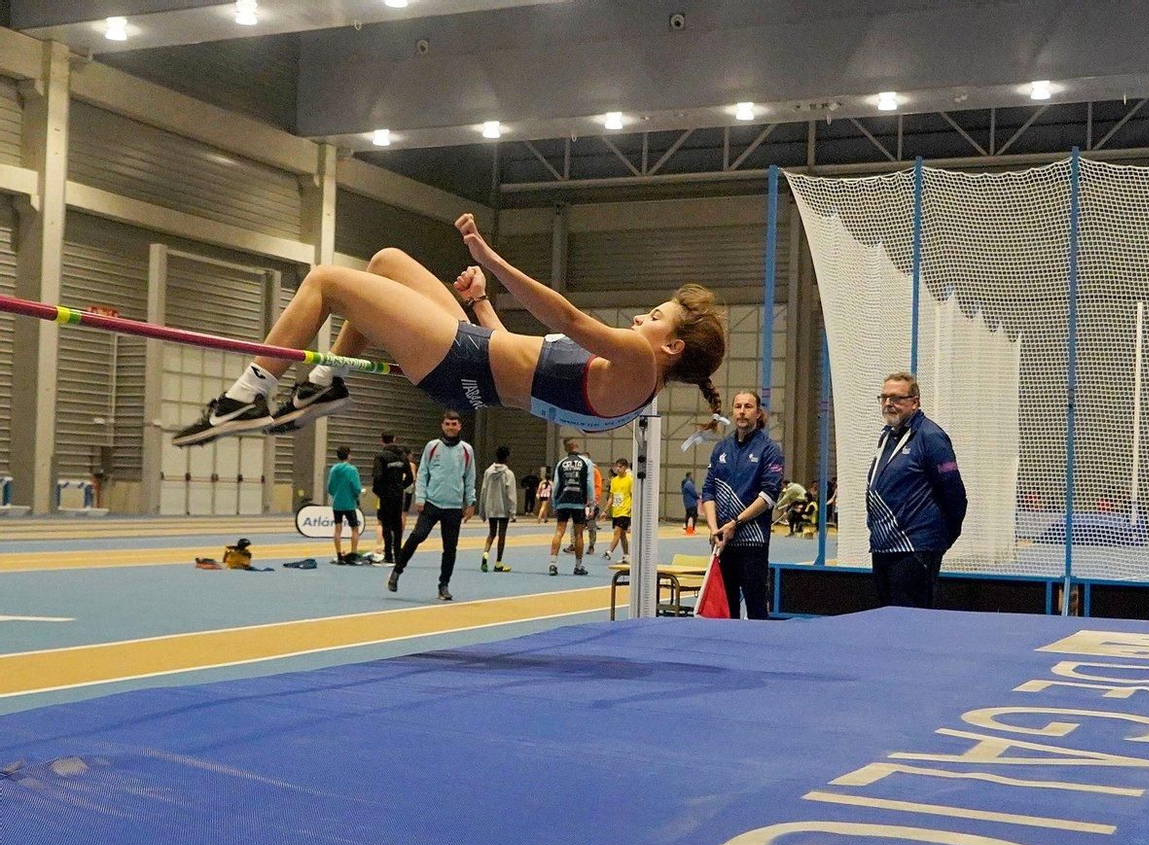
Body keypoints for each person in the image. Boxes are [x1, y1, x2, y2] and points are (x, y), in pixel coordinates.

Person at [172, 212, 728, 446]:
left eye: (654, 318)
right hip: (475, 359)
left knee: (325, 282)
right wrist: (483, 302)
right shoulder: (633, 388)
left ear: (672, 347)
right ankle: (325, 384)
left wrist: (491, 257)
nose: (638, 320)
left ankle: (246, 395)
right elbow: (530, 365)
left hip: (459, 361)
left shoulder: (637, 361)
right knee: (386, 261)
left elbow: (564, 318)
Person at [867, 372, 967, 609]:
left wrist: (942, 538)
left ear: (915, 401)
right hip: (884, 546)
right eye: (884, 397)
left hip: (915, 549)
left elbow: (954, 493)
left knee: (910, 623)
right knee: (886, 619)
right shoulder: (888, 436)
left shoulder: (931, 437)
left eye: (896, 398)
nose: (888, 403)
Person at [703, 391, 784, 619]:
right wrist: (713, 528)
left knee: (756, 609)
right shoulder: (721, 449)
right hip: (722, 543)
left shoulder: (769, 450)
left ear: (758, 414)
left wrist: (735, 523)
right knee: (726, 612)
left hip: (752, 544)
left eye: (748, 406)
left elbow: (769, 495)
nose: (741, 411)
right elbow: (708, 490)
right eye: (737, 406)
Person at [388, 411, 476, 601]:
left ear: (460, 426)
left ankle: (443, 585)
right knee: (417, 536)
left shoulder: (467, 450)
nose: (451, 427)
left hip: (453, 507)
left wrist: (471, 502)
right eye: (447, 424)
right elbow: (423, 473)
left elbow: (470, 477)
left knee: (450, 549)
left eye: (454, 424)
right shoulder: (432, 447)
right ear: (442, 426)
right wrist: (420, 498)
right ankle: (396, 571)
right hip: (432, 504)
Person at [548, 437, 592, 576]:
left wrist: (555, 503)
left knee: (559, 531)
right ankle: (578, 566)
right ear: (574, 447)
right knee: (578, 534)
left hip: (563, 501)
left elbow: (556, 486)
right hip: (578, 501)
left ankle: (553, 564)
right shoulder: (586, 462)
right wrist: (591, 503)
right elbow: (589, 484)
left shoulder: (561, 463)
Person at [372, 431, 414, 563]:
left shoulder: (380, 456)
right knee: (397, 525)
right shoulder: (402, 456)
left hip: (385, 494)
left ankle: (388, 555)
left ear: (382, 441)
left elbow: (377, 476)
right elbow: (410, 477)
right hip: (398, 494)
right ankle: (398, 554)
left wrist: (378, 491)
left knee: (386, 525)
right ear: (395, 439)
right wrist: (401, 487)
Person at [480, 445, 517, 573]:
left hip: (491, 507)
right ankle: (498, 563)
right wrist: (513, 512)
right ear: (507, 457)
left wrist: (483, 510)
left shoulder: (488, 472)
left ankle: (485, 556)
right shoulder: (508, 474)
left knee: (491, 533)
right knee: (502, 535)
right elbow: (511, 494)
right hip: (503, 508)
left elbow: (483, 490)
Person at [326, 445, 363, 564]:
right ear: (348, 455)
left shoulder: (333, 469)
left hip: (337, 503)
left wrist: (336, 494)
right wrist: (356, 494)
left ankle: (339, 554)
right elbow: (356, 487)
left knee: (337, 528)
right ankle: (353, 553)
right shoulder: (352, 470)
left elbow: (330, 487)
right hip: (349, 503)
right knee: (355, 529)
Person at [605, 458, 633, 562]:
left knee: (617, 531)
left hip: (625, 511)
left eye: (621, 467)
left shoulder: (629, 480)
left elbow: (632, 495)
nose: (618, 468)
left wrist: (631, 508)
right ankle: (626, 555)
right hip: (616, 511)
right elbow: (611, 497)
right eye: (617, 466)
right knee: (622, 535)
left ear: (625, 468)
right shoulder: (614, 481)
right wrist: (605, 510)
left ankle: (609, 551)